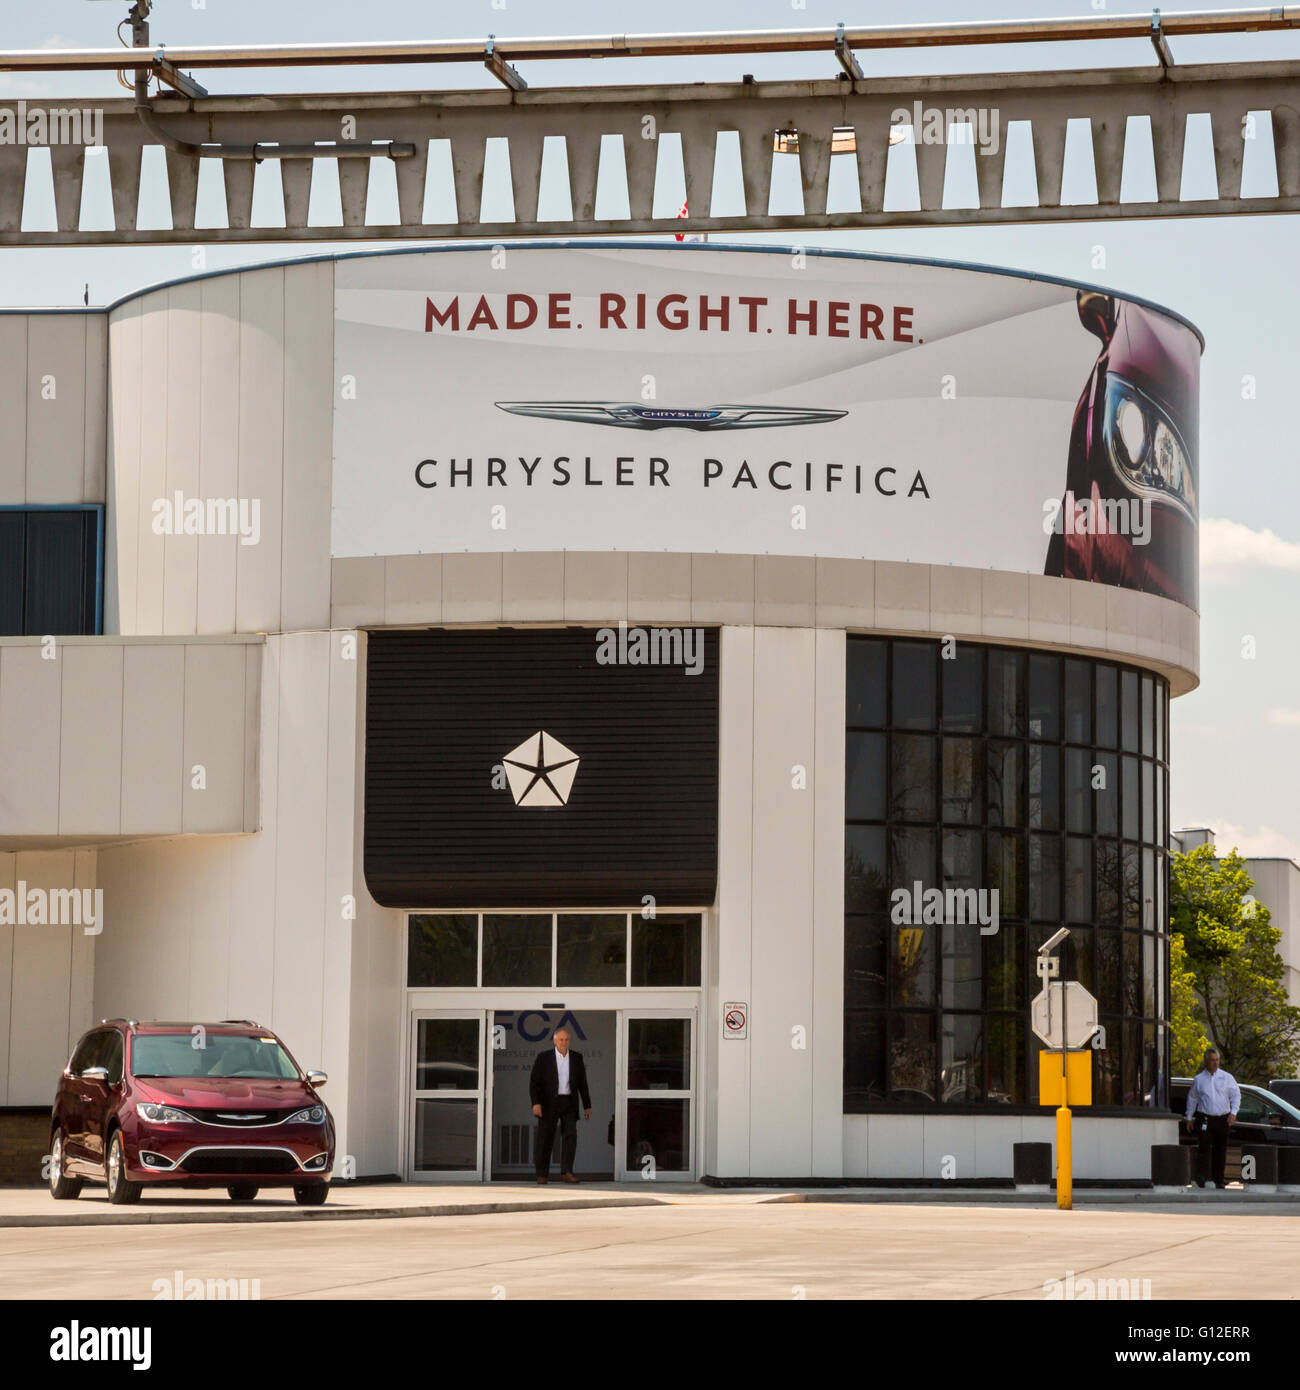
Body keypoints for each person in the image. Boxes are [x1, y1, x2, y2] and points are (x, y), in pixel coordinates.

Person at [529, 1027, 591, 1185]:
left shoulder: (576, 1058)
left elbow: (583, 1084)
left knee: (570, 1136)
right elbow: (534, 1083)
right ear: (555, 1041)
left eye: (566, 1040)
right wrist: (535, 1103)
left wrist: (587, 1105)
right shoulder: (544, 1058)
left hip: (569, 1102)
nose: (564, 1042)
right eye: (561, 1040)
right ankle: (542, 1174)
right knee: (546, 1138)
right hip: (549, 1103)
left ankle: (567, 1172)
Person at [1184, 1047, 1240, 1189]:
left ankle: (1219, 1179)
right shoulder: (1199, 1079)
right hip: (1205, 1118)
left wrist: (1233, 1113)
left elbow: (1235, 1095)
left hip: (1223, 1118)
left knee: (1220, 1150)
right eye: (1212, 1060)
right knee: (1204, 1148)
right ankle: (1202, 1177)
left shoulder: (1227, 1077)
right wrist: (1189, 1117)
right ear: (1206, 1061)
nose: (1215, 1063)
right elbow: (1192, 1098)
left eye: (1217, 1060)